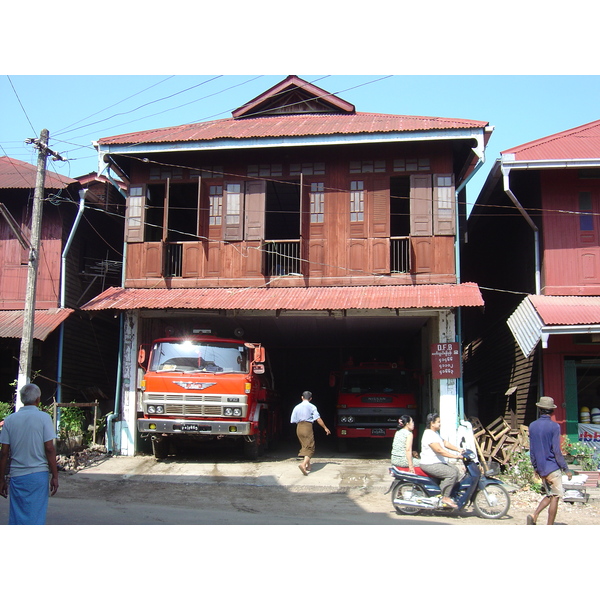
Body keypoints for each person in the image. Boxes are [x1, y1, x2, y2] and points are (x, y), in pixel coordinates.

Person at [0, 383, 59, 525]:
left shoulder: (9, 420)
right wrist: (55, 476)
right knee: (36, 516)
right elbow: (49, 448)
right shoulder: (44, 418)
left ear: (22, 399)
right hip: (38, 475)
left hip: (17, 475)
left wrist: (1, 479)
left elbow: (4, 453)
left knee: (17, 515)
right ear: (38, 399)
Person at [527, 396, 573, 525]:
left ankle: (534, 515)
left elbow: (532, 450)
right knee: (556, 497)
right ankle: (550, 525)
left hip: (541, 468)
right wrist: (566, 469)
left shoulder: (532, 426)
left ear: (540, 409)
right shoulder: (554, 427)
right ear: (552, 411)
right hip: (552, 467)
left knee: (550, 494)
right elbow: (557, 451)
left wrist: (535, 467)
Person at [419, 412, 463, 509]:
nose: (440, 424)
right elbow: (439, 450)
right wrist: (455, 456)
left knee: (456, 470)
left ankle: (447, 493)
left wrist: (458, 449)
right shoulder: (428, 434)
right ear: (432, 423)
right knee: (451, 473)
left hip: (437, 462)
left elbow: (445, 443)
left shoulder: (435, 433)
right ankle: (445, 497)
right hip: (429, 464)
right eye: (438, 422)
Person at [290, 391, 330, 475]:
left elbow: (293, 420)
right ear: (311, 398)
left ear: (302, 397)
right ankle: (303, 465)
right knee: (310, 448)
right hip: (307, 427)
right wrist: (325, 428)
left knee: (305, 446)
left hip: (299, 427)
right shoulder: (312, 407)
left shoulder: (296, 407)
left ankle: (308, 466)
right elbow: (318, 419)